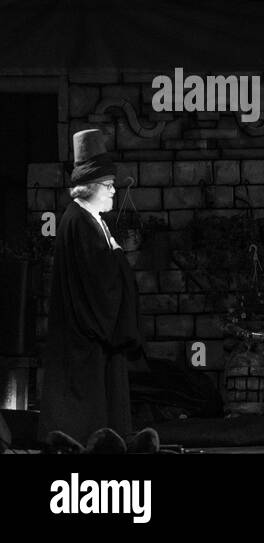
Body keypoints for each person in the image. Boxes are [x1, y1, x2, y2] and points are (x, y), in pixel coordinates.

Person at [39, 129, 158, 454]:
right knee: (87, 397)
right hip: (86, 334)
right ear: (89, 187)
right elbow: (98, 281)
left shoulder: (91, 219)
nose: (113, 191)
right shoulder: (79, 221)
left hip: (93, 333)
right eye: (107, 185)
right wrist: (118, 258)